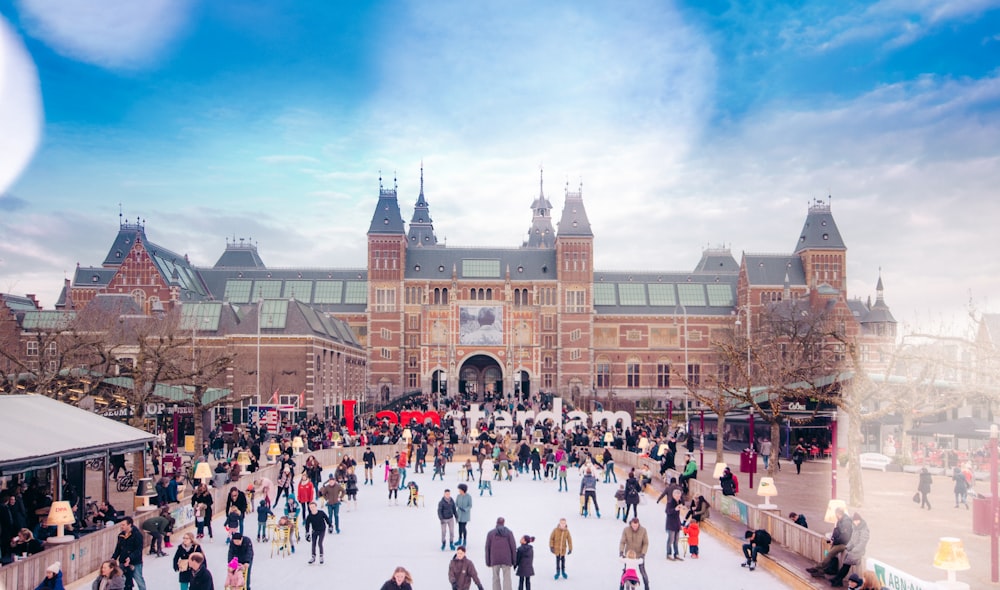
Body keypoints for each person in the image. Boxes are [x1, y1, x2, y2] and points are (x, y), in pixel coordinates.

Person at [807, 506, 853, 577]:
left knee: (830, 554)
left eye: (836, 514)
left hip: (845, 544)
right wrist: (833, 539)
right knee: (830, 554)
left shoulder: (846, 523)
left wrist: (835, 541)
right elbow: (836, 531)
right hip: (839, 542)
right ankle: (822, 570)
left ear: (838, 514)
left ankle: (816, 568)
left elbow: (845, 537)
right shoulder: (840, 520)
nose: (835, 516)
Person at [830, 513, 869, 587]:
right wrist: (847, 547)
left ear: (860, 520)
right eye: (854, 521)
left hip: (858, 552)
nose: (855, 522)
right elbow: (852, 540)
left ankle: (837, 579)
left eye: (856, 521)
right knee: (846, 564)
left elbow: (862, 543)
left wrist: (854, 549)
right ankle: (838, 579)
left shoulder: (864, 530)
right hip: (852, 550)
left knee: (846, 564)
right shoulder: (855, 528)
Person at [111, 517, 145, 590]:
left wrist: (130, 557)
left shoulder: (137, 535)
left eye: (123, 525)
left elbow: (138, 550)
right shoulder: (121, 535)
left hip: (135, 563)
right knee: (124, 581)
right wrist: (114, 557)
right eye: (121, 525)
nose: (121, 526)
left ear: (129, 525)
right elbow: (118, 548)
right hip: (123, 562)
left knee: (139, 580)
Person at [485, 517, 517, 590]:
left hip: (494, 559)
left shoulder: (490, 533)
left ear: (496, 523)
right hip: (506, 559)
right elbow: (513, 547)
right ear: (503, 523)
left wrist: (488, 561)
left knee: (495, 578)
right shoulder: (509, 533)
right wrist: (514, 561)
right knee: (507, 578)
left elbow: (487, 548)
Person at [618, 518, 649, 590]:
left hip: (639, 554)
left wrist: (643, 554)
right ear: (631, 524)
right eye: (633, 526)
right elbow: (622, 542)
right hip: (629, 555)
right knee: (626, 571)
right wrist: (621, 552)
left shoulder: (643, 530)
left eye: (636, 526)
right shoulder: (626, 530)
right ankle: (621, 585)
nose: (635, 527)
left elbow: (646, 543)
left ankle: (647, 586)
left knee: (643, 571)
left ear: (638, 524)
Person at [665, 488, 684, 561]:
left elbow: (677, 516)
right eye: (677, 496)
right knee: (671, 539)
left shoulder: (678, 503)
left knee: (676, 540)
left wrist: (680, 524)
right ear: (673, 495)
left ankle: (676, 553)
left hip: (676, 524)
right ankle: (668, 553)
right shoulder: (670, 503)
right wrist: (674, 509)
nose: (679, 498)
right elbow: (667, 511)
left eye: (679, 496)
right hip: (671, 524)